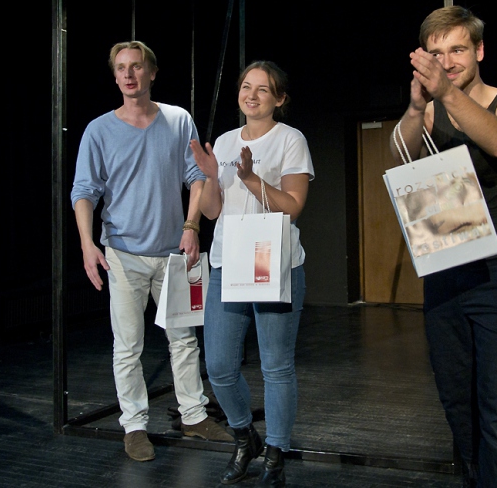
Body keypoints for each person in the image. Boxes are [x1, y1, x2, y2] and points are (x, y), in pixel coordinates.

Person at [389, 6, 497, 488]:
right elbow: (400, 157)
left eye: (457, 49)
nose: (447, 61)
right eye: (436, 53)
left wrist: (446, 93)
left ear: (479, 51)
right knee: (457, 401)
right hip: (446, 268)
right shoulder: (431, 110)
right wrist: (417, 109)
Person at [70, 40, 230, 462]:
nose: (129, 74)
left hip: (175, 253)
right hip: (123, 254)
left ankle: (193, 415)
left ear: (152, 73)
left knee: (184, 339)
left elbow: (197, 176)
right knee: (128, 345)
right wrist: (86, 244)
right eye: (121, 67)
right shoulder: (99, 130)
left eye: (137, 66)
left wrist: (192, 226)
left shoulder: (178, 120)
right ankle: (134, 425)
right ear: (115, 75)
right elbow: (84, 191)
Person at [190, 60, 314, 487]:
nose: (252, 95)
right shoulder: (225, 141)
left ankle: (275, 455)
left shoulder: (290, 139)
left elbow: (293, 207)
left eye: (263, 89)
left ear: (279, 98)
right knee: (219, 365)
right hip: (228, 262)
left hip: (272, 261)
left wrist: (249, 177)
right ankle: (245, 437)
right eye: (246, 86)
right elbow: (213, 211)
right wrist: (211, 177)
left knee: (275, 366)